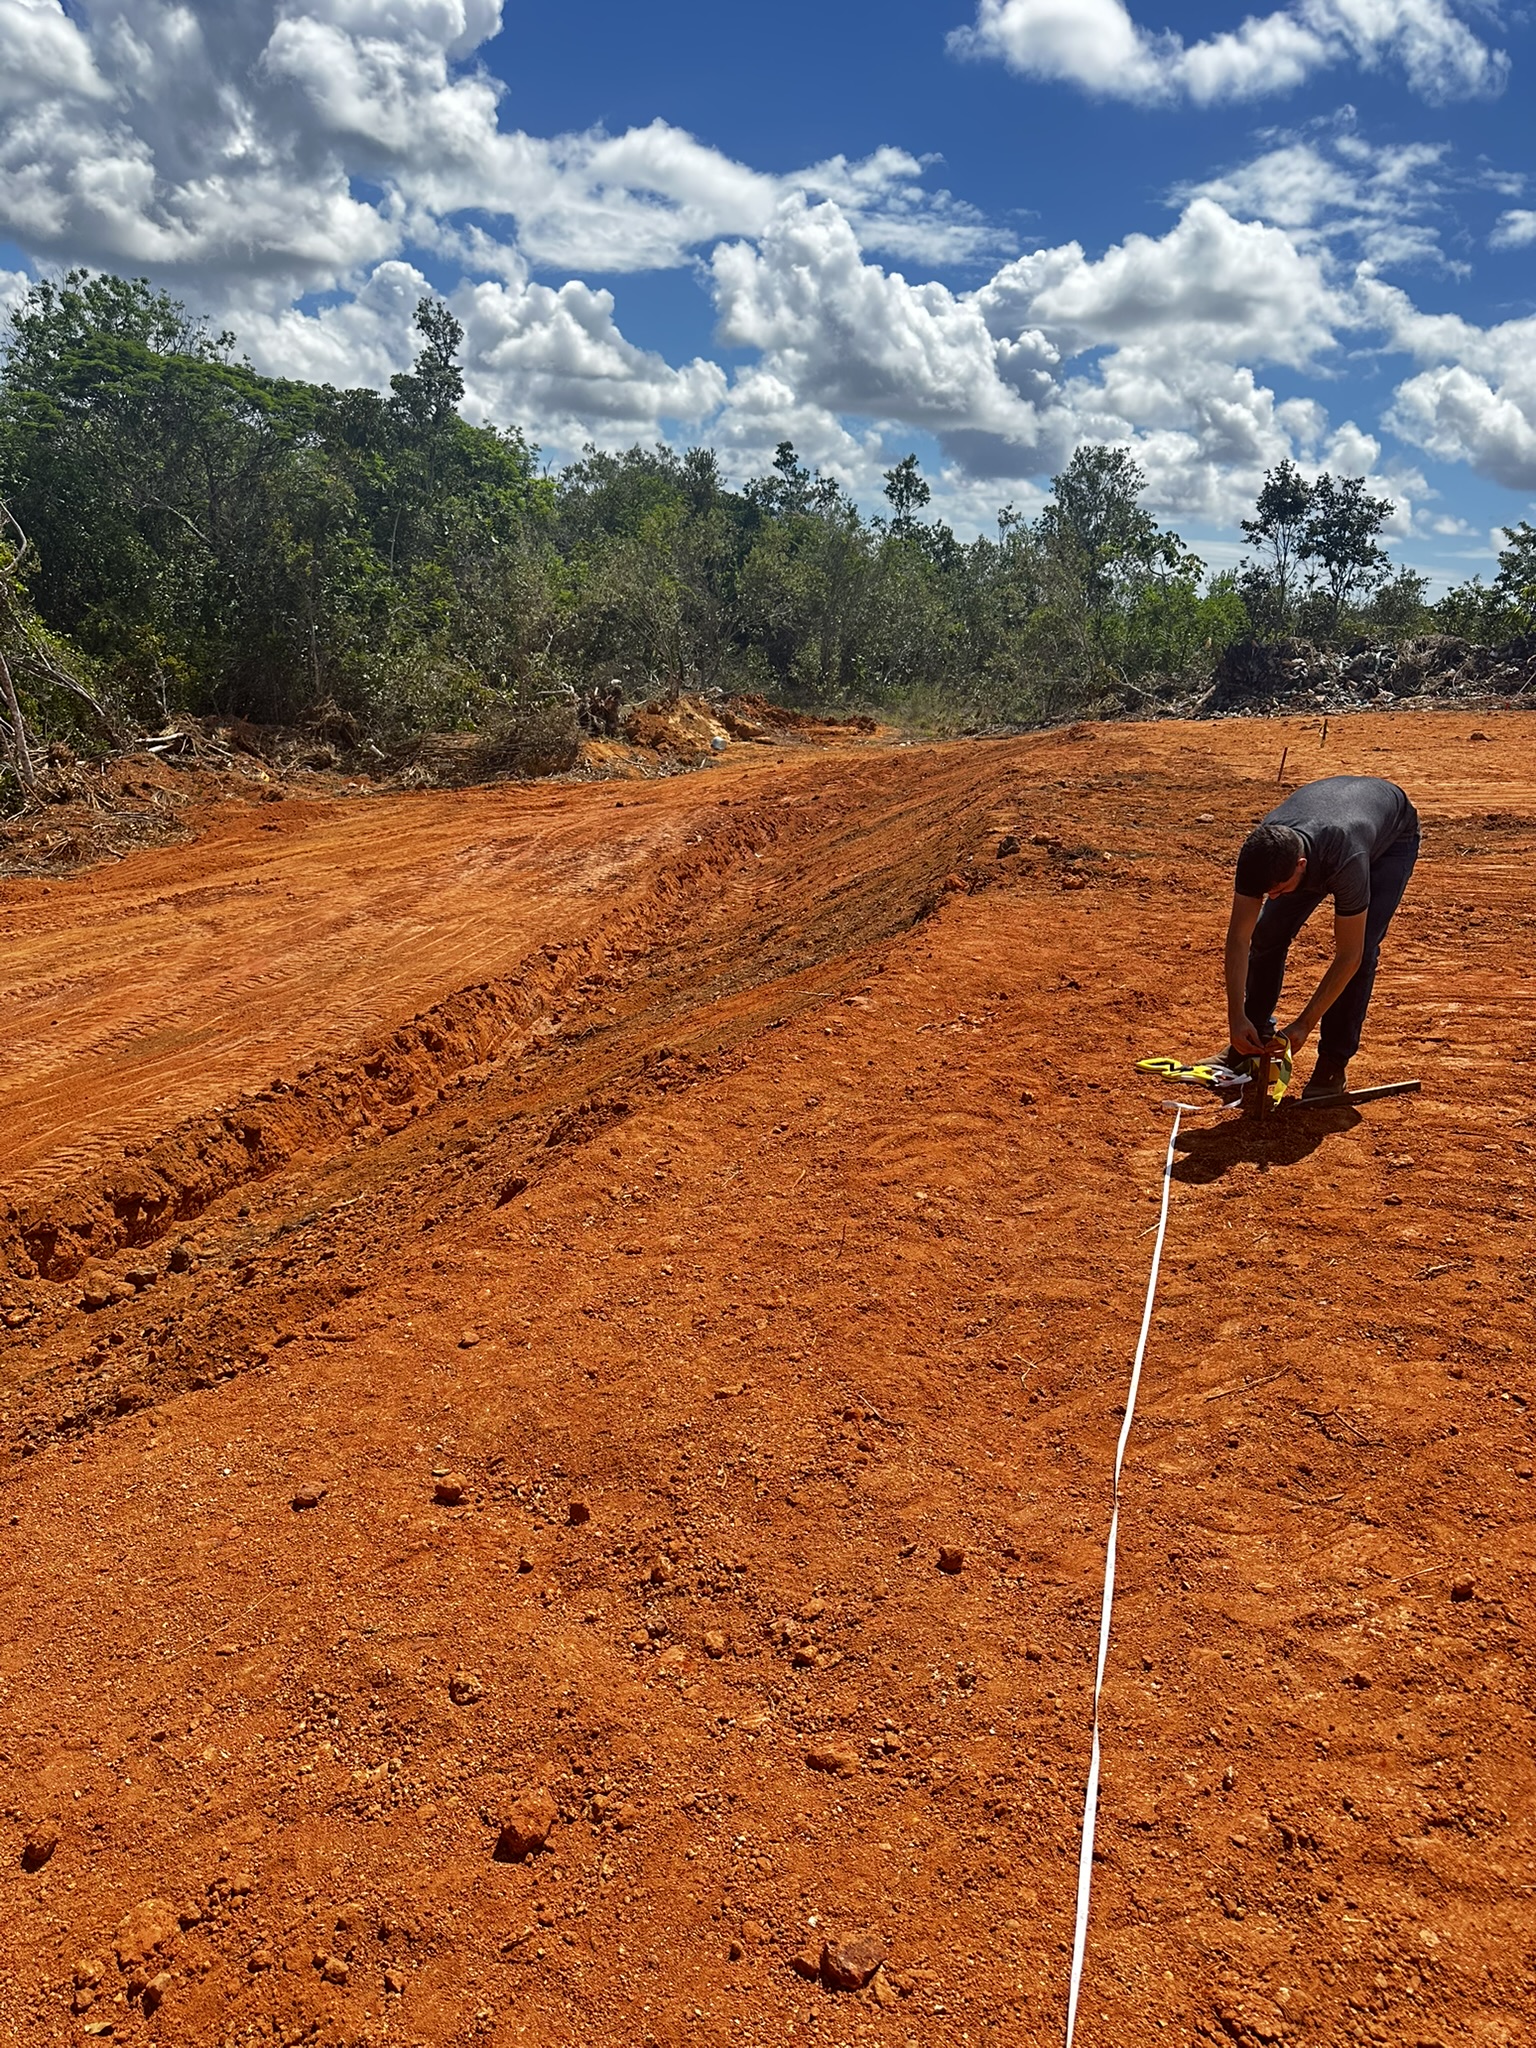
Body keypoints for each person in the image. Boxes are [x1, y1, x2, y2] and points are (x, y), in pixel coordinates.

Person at [1223, 774, 1420, 1101]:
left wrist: (1304, 1024)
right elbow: (1239, 939)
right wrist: (1236, 1018)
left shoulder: (1345, 860)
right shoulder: (1259, 852)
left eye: (1279, 889)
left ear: (1301, 865)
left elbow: (1349, 955)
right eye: (1267, 892)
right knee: (1267, 931)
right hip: (1331, 817)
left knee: (1364, 950)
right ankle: (1253, 1040)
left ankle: (1332, 1063)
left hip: (1391, 839)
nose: (1273, 897)